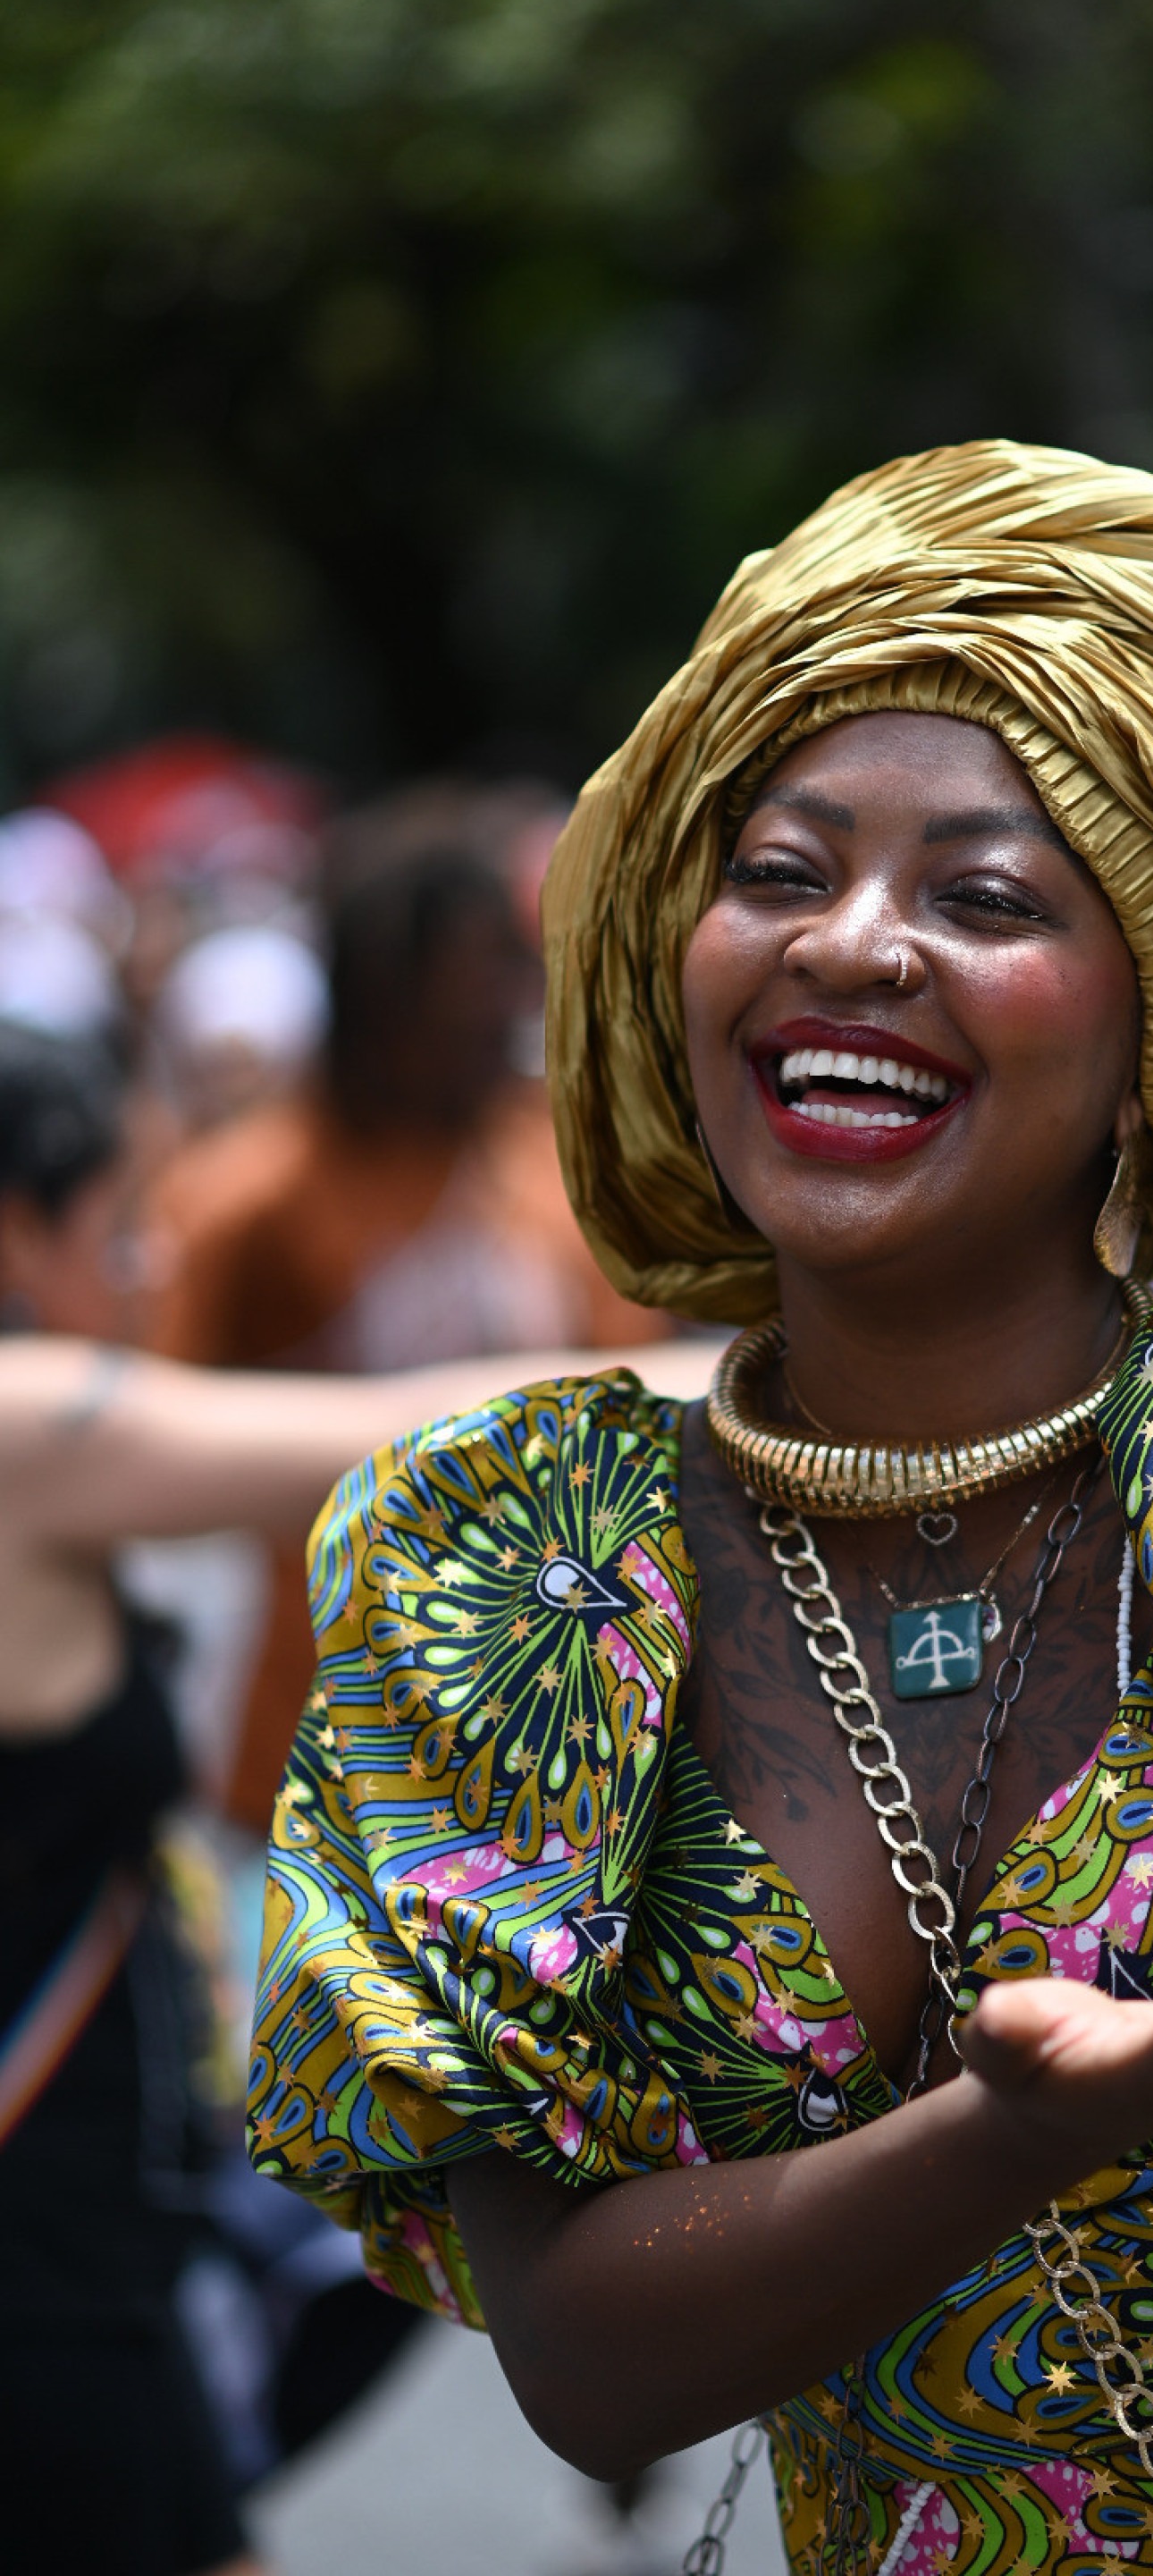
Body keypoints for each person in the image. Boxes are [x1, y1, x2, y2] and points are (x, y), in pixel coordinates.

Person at [248, 442, 1153, 2575]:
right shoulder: (513, 1555)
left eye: (984, 898)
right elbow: (588, 2358)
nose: (851, 947)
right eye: (780, 870)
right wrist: (1016, 2135)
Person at [0, 1021, 709, 2576]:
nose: (140, 1270)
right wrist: (794, 1369)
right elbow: (450, 1435)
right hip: (40, 2250)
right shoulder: (21, 1423)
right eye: (118, 1221)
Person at [154, 839, 675, 1835]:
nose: (500, 1014)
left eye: (510, 977)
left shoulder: (556, 1168)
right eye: (465, 989)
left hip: (554, 1733)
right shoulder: (251, 1198)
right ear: (381, 1002)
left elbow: (634, 1399)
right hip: (321, 1745)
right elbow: (158, 1424)